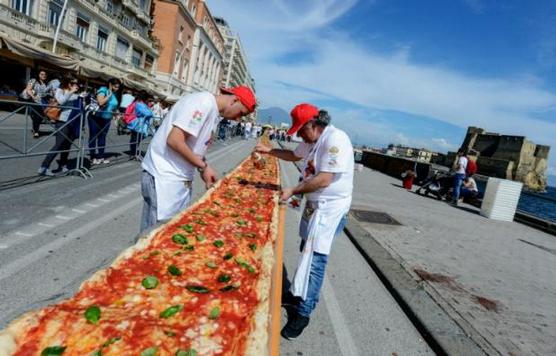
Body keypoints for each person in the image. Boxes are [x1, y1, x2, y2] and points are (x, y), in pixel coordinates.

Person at [255, 103, 354, 340]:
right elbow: (293, 155)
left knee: (316, 258)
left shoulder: (335, 139)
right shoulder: (311, 141)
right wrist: (268, 151)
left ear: (314, 124)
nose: (298, 134)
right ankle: (298, 293)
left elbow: (324, 179)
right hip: (313, 205)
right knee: (305, 250)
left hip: (330, 208)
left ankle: (304, 312)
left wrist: (293, 189)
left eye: (301, 129)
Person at [139, 85, 257, 232]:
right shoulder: (203, 103)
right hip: (164, 177)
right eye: (241, 112)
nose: (238, 118)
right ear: (234, 101)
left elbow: (194, 146)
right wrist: (203, 167)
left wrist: (203, 167)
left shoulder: (213, 111)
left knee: (172, 231)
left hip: (178, 178)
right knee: (155, 235)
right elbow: (175, 140)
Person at [37, 75, 81, 176]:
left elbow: (77, 102)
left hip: (72, 121)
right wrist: (71, 92)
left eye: (76, 83)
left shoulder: (74, 92)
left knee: (67, 145)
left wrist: (81, 96)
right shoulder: (60, 90)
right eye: (73, 83)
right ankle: (44, 167)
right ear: (67, 82)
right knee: (59, 144)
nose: (75, 85)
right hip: (62, 120)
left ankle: (63, 165)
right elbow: (61, 101)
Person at [88, 78, 121, 165]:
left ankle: (101, 156)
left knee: (102, 137)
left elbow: (113, 106)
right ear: (110, 84)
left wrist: (116, 114)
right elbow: (100, 102)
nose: (116, 89)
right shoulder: (103, 89)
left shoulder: (115, 93)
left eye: (118, 87)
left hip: (107, 118)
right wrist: (108, 95)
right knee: (93, 136)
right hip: (96, 116)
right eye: (115, 86)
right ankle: (92, 157)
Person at [20, 70, 50, 138]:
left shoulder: (46, 83)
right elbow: (28, 89)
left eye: (45, 74)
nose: (44, 75)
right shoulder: (33, 80)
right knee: (36, 115)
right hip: (33, 100)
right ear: (38, 75)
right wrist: (33, 97)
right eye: (42, 74)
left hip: (42, 102)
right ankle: (36, 131)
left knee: (40, 117)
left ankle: (35, 128)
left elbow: (45, 94)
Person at [127, 91, 153, 159]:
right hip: (138, 124)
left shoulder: (141, 104)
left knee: (136, 139)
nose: (148, 100)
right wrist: (149, 111)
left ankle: (134, 153)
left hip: (140, 124)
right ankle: (133, 153)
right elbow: (148, 113)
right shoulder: (139, 104)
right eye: (148, 99)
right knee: (135, 139)